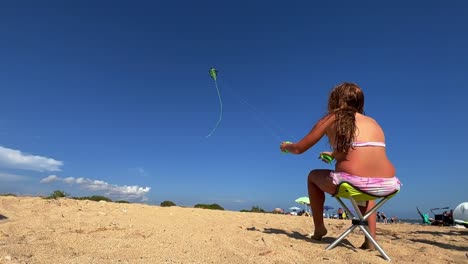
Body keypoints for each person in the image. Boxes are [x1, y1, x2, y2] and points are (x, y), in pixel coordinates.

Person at [280, 82, 401, 250]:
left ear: (335, 100)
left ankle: (319, 228)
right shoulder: (373, 121)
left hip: (353, 183)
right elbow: (363, 151)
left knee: (312, 176)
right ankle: (370, 240)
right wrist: (334, 155)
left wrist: (286, 146)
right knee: (366, 187)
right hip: (387, 184)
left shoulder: (332, 118)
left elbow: (299, 148)